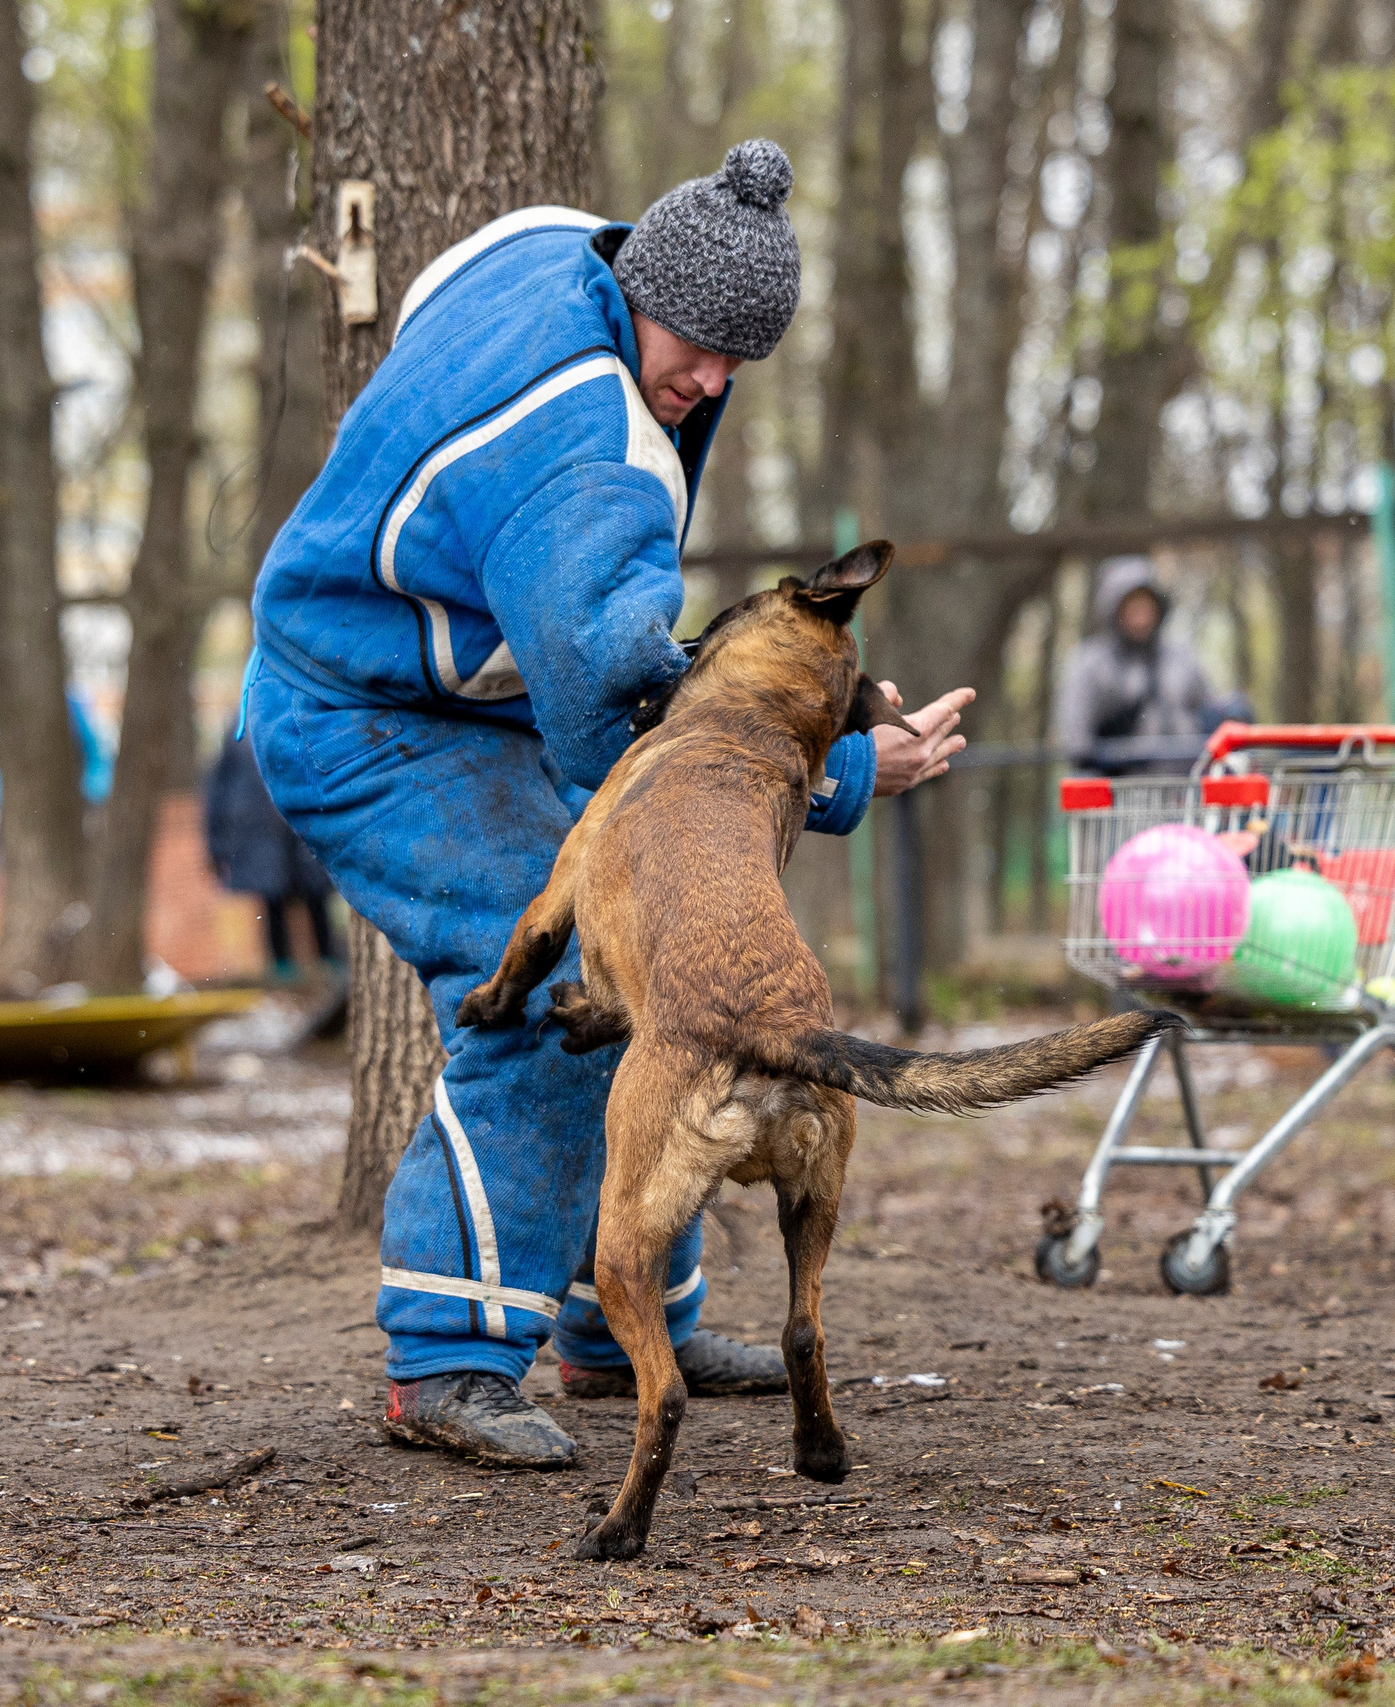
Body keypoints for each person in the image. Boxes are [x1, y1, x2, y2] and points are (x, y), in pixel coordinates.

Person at [240, 141, 971, 1469]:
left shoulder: (557, 245)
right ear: (645, 288)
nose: (713, 381)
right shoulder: (590, 472)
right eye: (696, 349)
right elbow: (624, 745)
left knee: (664, 980)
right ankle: (448, 1358)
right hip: (362, 716)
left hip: (456, 676)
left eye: (740, 360)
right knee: (557, 982)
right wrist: (855, 769)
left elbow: (434, 301)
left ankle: (624, 1316)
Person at [1053, 556, 1245, 775]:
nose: (1141, 616)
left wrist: (1229, 711)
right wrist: (1111, 757)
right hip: (1120, 792)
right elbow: (1076, 736)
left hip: (1185, 788)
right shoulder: (1092, 663)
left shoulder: (1181, 658)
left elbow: (1207, 707)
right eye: (1131, 606)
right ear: (1114, 610)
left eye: (1146, 606)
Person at [203, 731, 342, 981]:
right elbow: (217, 791)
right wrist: (216, 846)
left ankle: (328, 963)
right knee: (272, 901)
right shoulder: (238, 728)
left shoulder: (296, 715)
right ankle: (282, 970)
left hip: (299, 830)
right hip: (262, 836)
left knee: (315, 897)